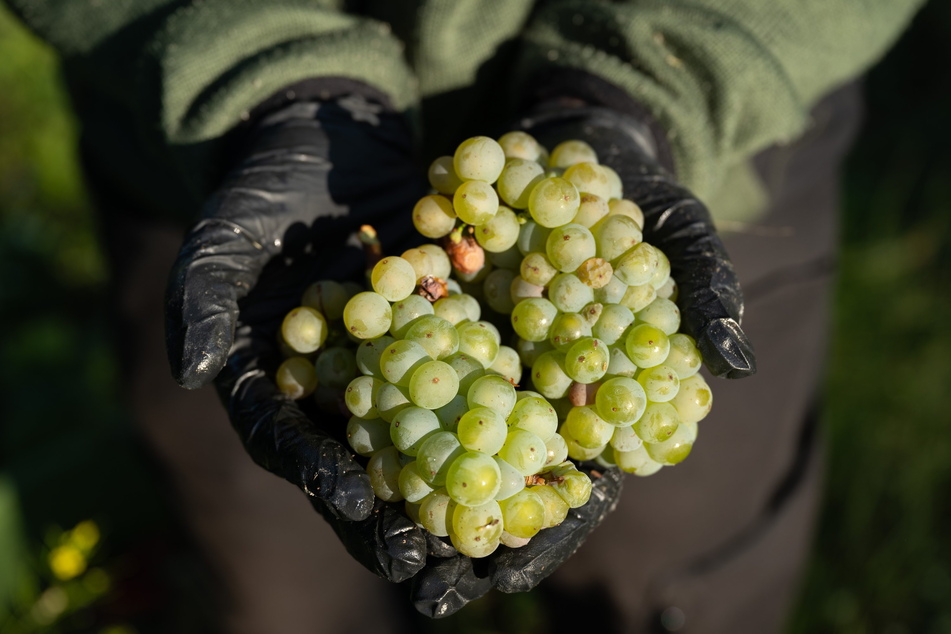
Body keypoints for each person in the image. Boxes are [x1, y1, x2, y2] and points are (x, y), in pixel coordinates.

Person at [3, 1, 926, 632]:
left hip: (704, 122)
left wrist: (646, 89)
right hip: (232, 169)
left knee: (686, 588)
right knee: (271, 588)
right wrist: (251, 67)